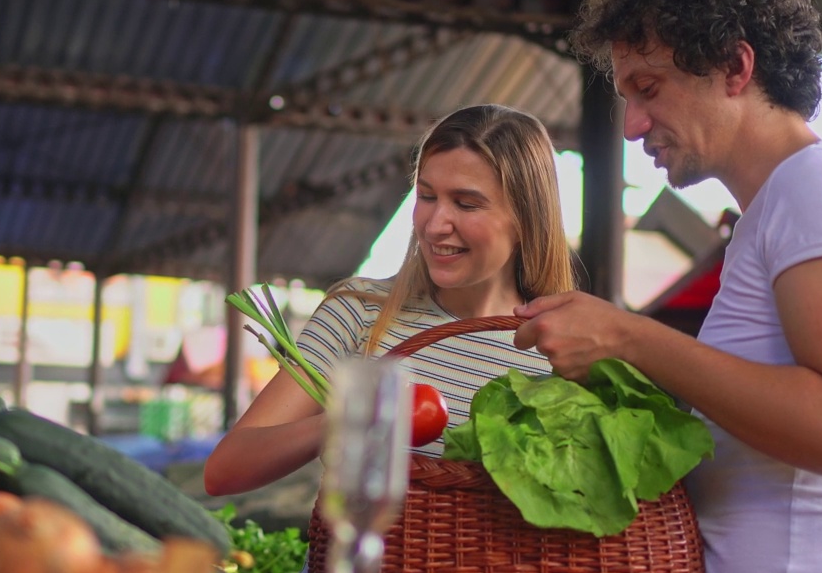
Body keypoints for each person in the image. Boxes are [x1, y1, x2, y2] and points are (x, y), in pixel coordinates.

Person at [512, 0, 822, 573]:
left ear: (735, 67)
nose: (632, 126)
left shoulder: (819, 189)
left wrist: (629, 337)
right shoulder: (774, 211)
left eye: (649, 87)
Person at [203, 103, 576, 503]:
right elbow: (225, 470)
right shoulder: (360, 309)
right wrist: (351, 419)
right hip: (353, 563)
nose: (434, 225)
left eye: (466, 204)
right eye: (427, 196)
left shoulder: (562, 349)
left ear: (526, 218)